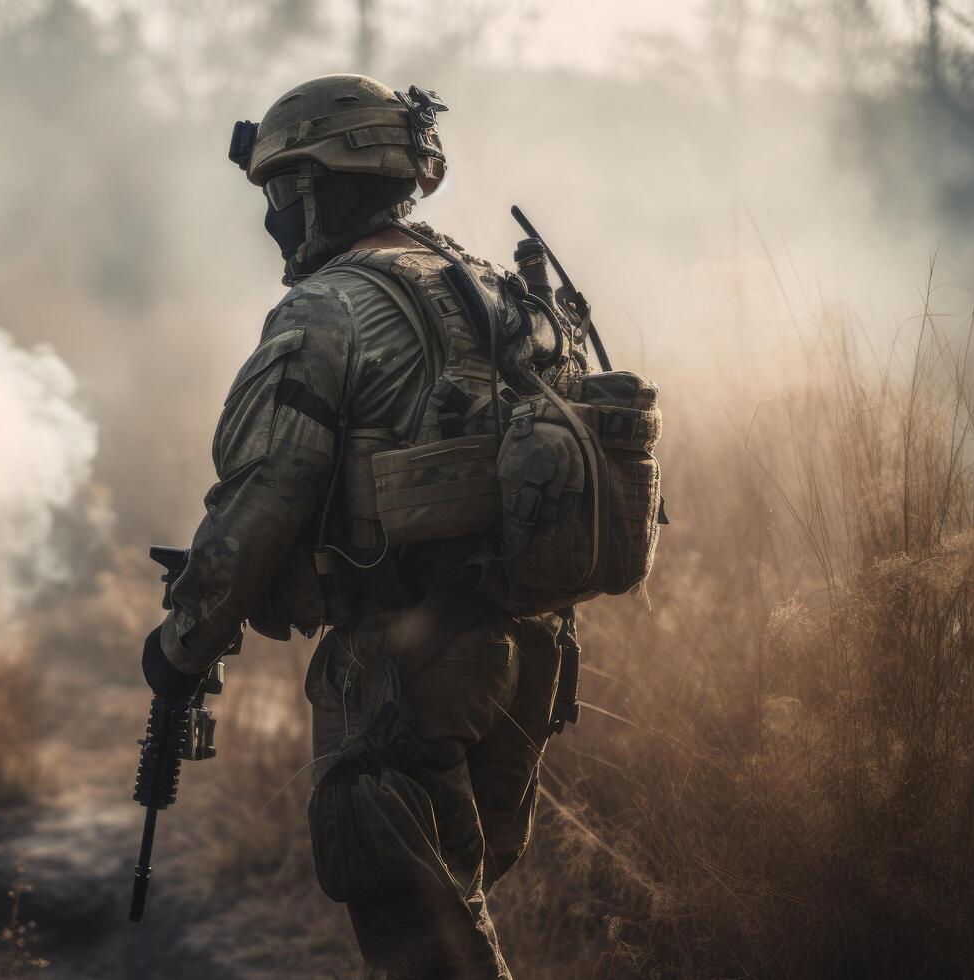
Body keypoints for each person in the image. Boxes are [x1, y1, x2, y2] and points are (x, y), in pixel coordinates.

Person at [140, 74, 596, 979]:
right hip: (528, 656)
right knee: (455, 912)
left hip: (404, 668)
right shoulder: (500, 291)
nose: (273, 215)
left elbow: (261, 500)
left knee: (424, 946)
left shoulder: (329, 309)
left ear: (323, 185)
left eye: (280, 190)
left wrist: (180, 645)